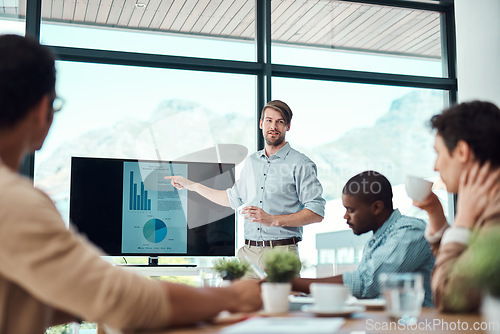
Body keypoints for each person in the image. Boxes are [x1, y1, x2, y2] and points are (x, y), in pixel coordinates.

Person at [0, 34, 262, 334]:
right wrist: (233, 295)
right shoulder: (16, 203)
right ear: (42, 110)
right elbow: (128, 301)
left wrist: (86, 299)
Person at [165, 100, 326, 273]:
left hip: (281, 253)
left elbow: (316, 213)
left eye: (280, 121)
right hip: (248, 253)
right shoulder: (251, 162)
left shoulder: (301, 164)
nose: (273, 126)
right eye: (269, 120)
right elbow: (231, 199)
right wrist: (192, 185)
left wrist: (272, 220)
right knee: (239, 299)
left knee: (279, 301)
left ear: (288, 126)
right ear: (261, 123)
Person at [292, 171, 435, 307]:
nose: (345, 216)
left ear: (377, 207)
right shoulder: (378, 239)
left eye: (351, 210)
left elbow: (366, 284)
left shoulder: (410, 232)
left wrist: (291, 282)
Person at [413, 101, 500, 312]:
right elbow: (460, 266)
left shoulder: (495, 212)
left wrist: (461, 225)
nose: (435, 166)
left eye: (438, 152)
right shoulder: (486, 202)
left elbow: (448, 295)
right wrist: (435, 214)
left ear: (461, 151)